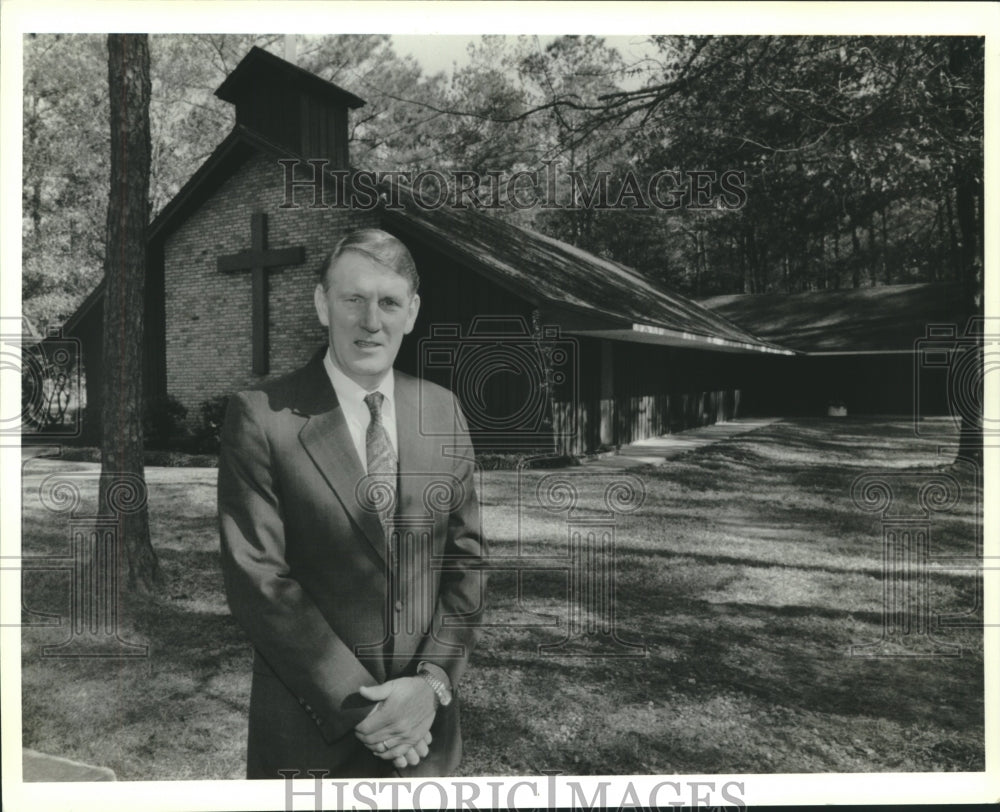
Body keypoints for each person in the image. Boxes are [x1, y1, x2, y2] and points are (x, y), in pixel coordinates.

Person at [218, 228, 487, 779]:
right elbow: (259, 581)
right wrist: (366, 708)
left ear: (411, 312)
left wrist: (431, 684)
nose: (372, 321)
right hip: (309, 733)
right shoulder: (262, 418)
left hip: (426, 735)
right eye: (354, 299)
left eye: (389, 302)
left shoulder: (442, 411)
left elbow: (466, 563)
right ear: (322, 303)